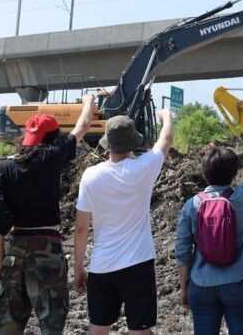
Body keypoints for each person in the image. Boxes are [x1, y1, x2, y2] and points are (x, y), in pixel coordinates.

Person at [0, 93, 97, 335]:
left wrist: (0, 260)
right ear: (52, 137)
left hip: (15, 249)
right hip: (48, 249)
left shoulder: (2, 167)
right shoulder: (52, 157)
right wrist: (89, 102)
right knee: (51, 324)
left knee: (8, 324)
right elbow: (83, 126)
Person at [174, 120, 243, 335]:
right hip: (240, 282)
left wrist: (184, 287)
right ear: (234, 173)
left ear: (204, 173)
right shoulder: (242, 197)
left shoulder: (191, 205)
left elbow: (182, 250)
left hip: (201, 283)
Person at [74, 110, 173, 335]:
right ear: (132, 142)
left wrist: (78, 268)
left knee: (98, 329)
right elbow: (165, 140)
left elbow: (81, 228)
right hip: (138, 263)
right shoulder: (144, 167)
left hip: (101, 266)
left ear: (108, 143)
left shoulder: (90, 175)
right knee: (140, 330)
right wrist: (166, 116)